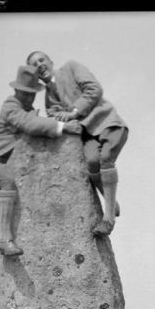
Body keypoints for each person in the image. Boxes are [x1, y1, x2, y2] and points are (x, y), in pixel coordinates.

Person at [0, 64, 82, 256]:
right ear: (16, 90)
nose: (29, 97)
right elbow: (29, 124)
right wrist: (63, 126)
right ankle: (5, 240)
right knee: (7, 183)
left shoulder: (27, 109)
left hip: (4, 159)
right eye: (25, 92)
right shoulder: (11, 106)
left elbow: (36, 123)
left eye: (32, 93)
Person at [26, 51, 128, 236]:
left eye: (41, 60)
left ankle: (109, 219)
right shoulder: (49, 96)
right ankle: (111, 202)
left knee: (106, 158)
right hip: (87, 134)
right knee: (91, 163)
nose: (39, 65)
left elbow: (93, 89)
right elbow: (54, 115)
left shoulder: (71, 68)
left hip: (107, 123)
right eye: (34, 65)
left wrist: (73, 111)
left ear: (50, 61)